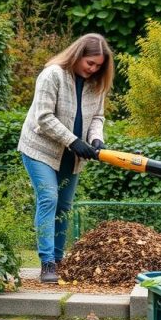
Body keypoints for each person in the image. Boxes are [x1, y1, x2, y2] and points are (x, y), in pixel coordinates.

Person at [18, 33, 114, 284]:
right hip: (40, 149)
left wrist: (95, 139)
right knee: (49, 198)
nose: (93, 69)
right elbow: (44, 117)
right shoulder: (53, 75)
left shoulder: (96, 83)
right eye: (89, 63)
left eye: (98, 66)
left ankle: (60, 260)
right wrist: (74, 141)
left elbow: (97, 117)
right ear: (77, 55)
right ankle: (47, 261)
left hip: (72, 154)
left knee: (64, 207)